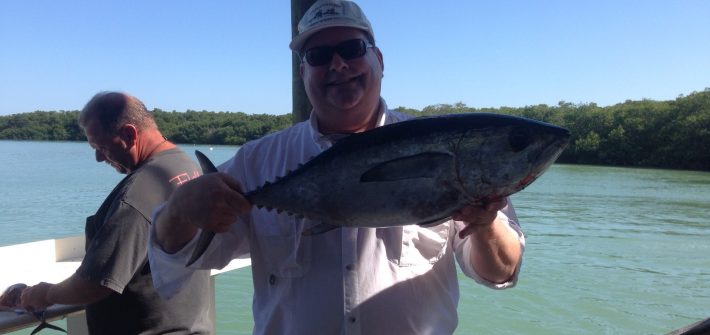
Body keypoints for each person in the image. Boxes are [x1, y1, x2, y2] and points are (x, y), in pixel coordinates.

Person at [148, 0, 525, 334]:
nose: (338, 64)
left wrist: (486, 224)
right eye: (319, 55)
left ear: (379, 60)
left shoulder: (445, 148)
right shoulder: (257, 161)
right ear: (303, 74)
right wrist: (180, 209)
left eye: (351, 48)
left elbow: (500, 274)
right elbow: (177, 261)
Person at [20, 92, 214, 334]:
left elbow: (96, 283)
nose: (99, 157)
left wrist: (45, 293)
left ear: (130, 134)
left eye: (101, 146)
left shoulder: (138, 194)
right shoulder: (188, 167)